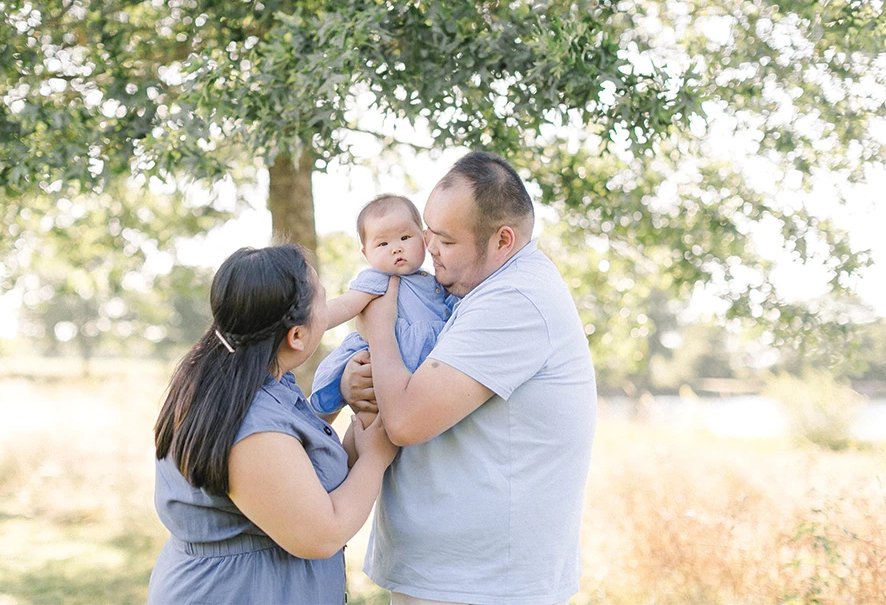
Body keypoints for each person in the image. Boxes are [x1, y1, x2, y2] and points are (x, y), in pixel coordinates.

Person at [351, 152, 598, 605]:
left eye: (444, 239)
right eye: (427, 231)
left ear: (503, 240)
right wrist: (358, 379)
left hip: (483, 586)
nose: (428, 249)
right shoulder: (469, 292)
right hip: (447, 577)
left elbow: (404, 420)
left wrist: (379, 325)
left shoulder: (514, 299)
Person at [148, 245, 398, 605]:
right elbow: (321, 535)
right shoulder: (250, 424)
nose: (330, 312)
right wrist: (376, 456)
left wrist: (338, 394)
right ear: (296, 336)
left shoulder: (237, 378)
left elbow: (290, 461)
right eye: (322, 304)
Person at [309, 194, 456, 426]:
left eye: (405, 237)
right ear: (366, 254)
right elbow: (345, 305)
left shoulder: (436, 281)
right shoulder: (378, 280)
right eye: (383, 244)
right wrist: (308, 321)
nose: (396, 249)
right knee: (371, 423)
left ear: (424, 238)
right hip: (386, 365)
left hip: (426, 377)